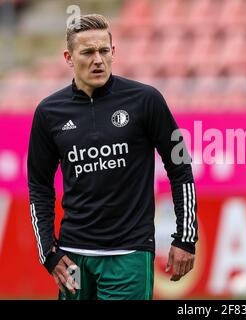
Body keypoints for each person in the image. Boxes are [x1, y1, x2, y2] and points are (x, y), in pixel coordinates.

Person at [27, 13, 198, 300]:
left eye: (104, 50)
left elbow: (180, 166)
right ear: (69, 57)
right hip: (73, 259)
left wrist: (186, 238)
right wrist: (48, 252)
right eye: (88, 52)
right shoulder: (48, 113)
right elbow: (39, 186)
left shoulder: (146, 100)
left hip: (128, 253)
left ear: (113, 52)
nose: (98, 59)